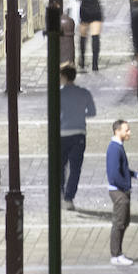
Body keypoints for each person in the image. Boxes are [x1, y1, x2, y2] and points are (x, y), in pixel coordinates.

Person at [59, 64, 97, 211]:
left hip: (62, 134)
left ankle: (61, 193)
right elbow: (92, 112)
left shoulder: (59, 94)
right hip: (79, 134)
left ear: (64, 76)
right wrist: (80, 114)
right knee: (75, 168)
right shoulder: (84, 93)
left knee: (61, 167)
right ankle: (69, 197)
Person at [107, 119, 138, 265]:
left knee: (124, 221)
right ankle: (116, 255)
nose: (129, 132)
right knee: (119, 223)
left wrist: (135, 174)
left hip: (121, 190)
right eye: (127, 130)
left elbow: (122, 168)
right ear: (117, 131)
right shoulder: (114, 148)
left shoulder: (118, 147)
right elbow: (113, 174)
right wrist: (125, 185)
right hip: (119, 191)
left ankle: (117, 253)